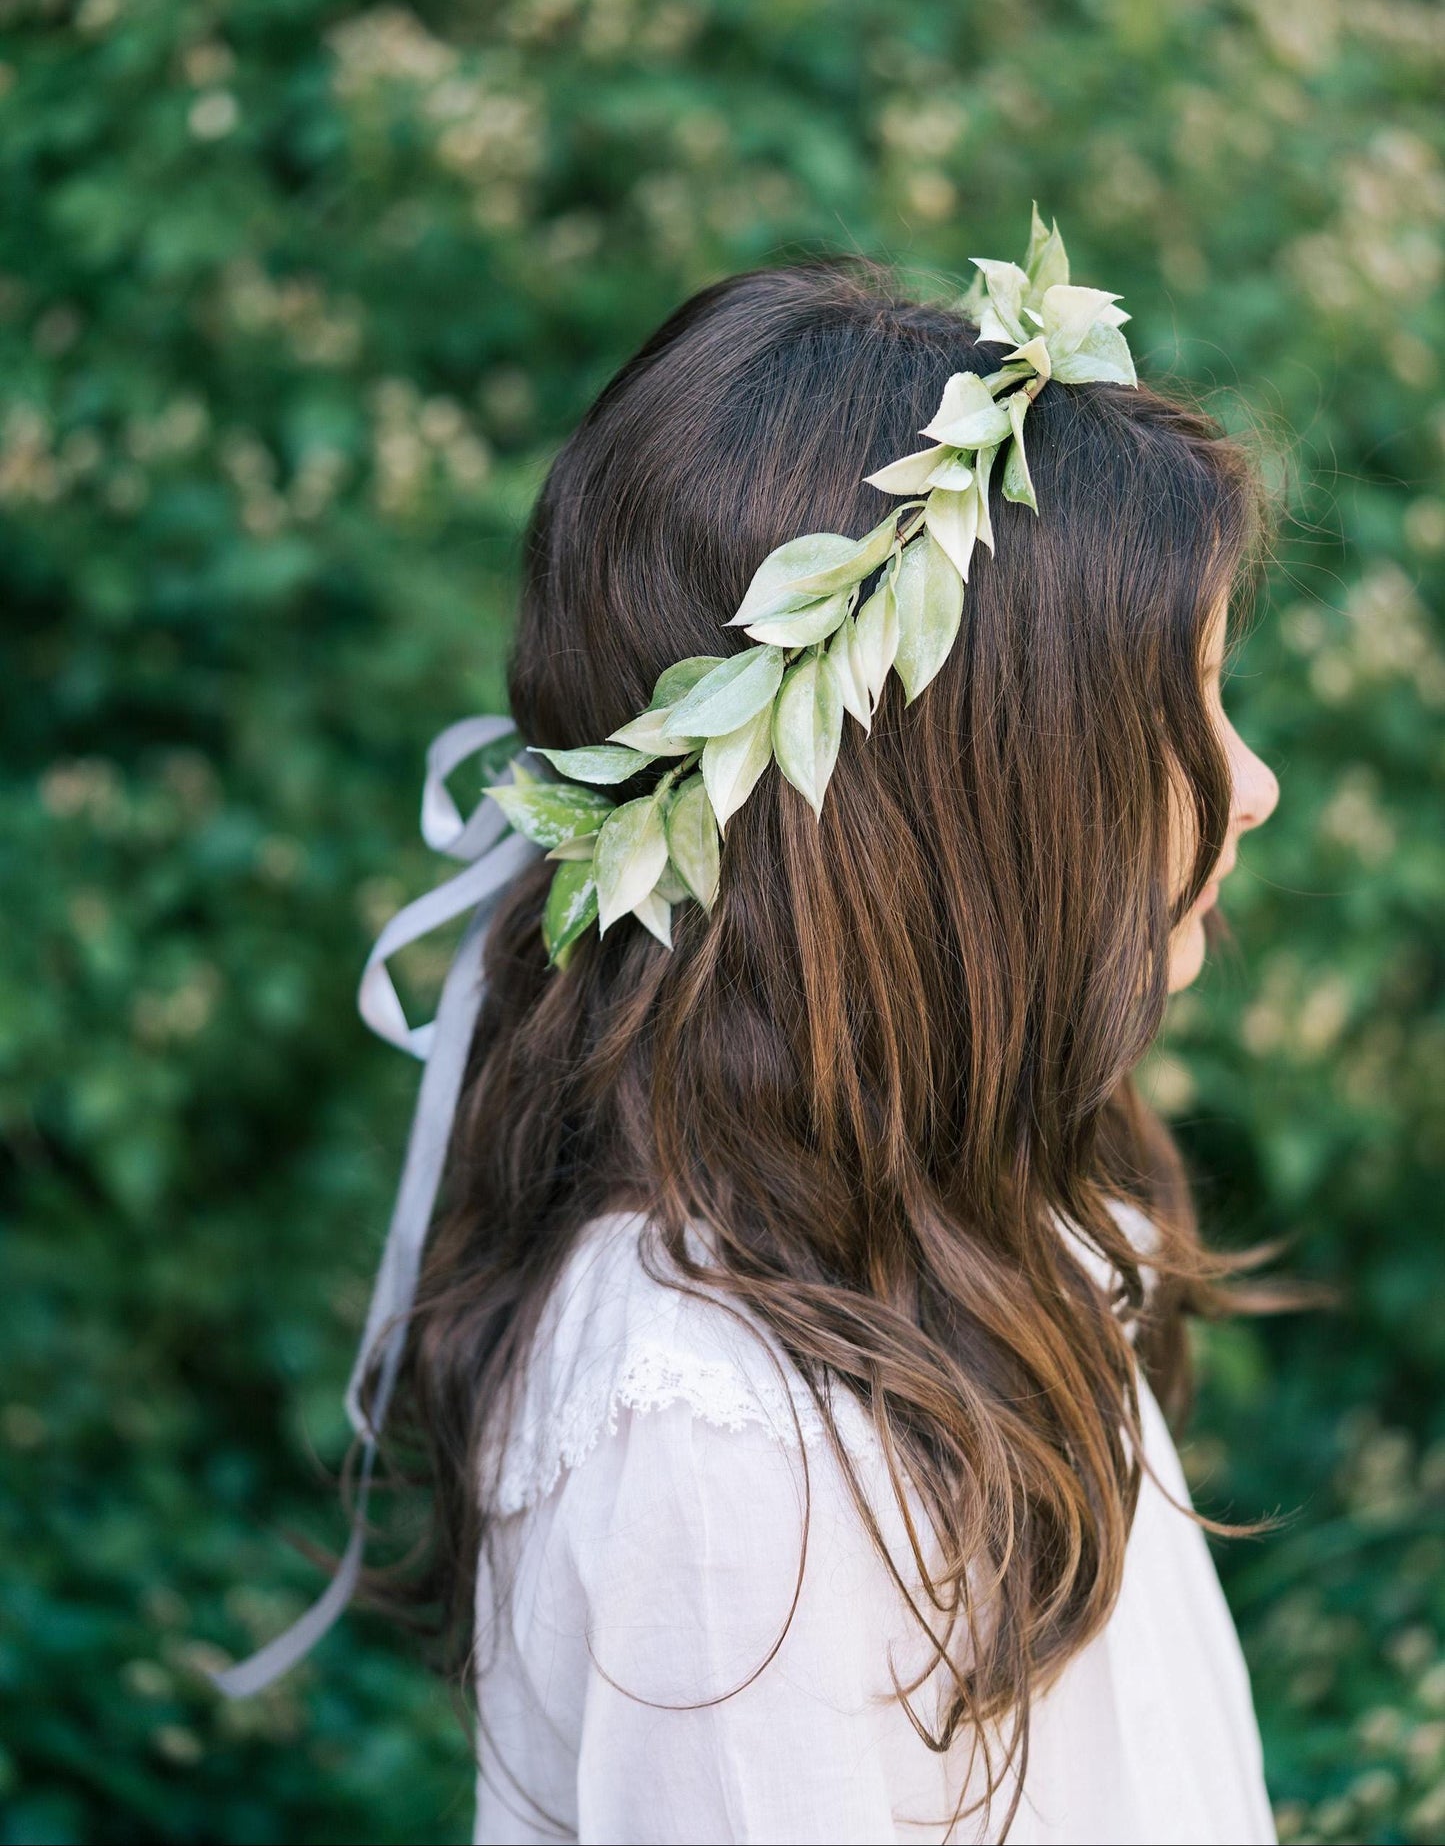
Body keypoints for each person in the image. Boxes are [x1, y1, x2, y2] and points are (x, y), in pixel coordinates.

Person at [231, 225, 1285, 1843]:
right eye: (1182, 716)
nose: (1252, 785)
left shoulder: (977, 1221)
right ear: (954, 804)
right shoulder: (717, 1434)